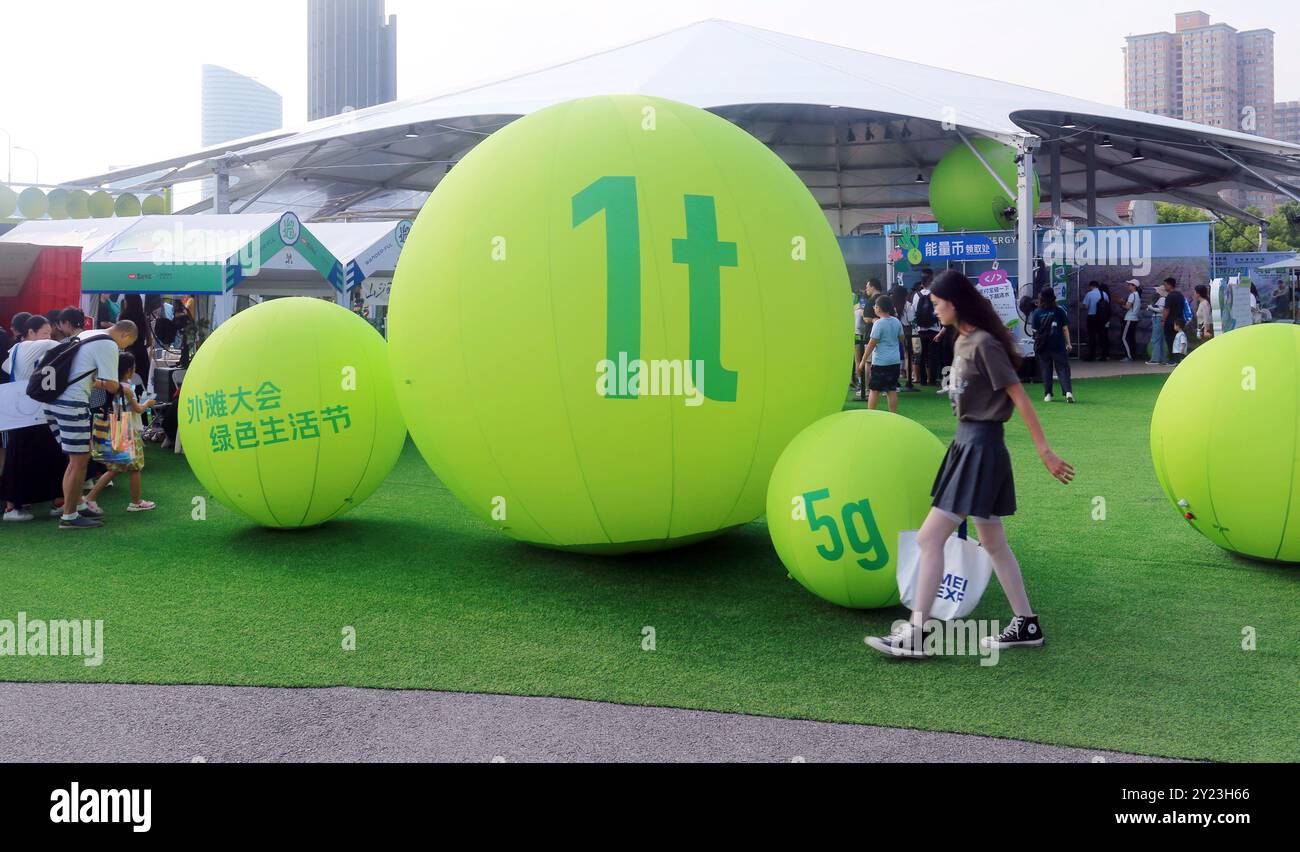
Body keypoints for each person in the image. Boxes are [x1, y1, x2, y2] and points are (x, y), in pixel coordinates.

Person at [866, 270, 1074, 659]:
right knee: (993, 541)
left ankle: (917, 634)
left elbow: (1017, 395)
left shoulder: (983, 344)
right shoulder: (962, 340)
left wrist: (1044, 449)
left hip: (980, 447)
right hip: (968, 446)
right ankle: (1026, 623)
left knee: (930, 539)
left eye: (938, 303)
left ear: (955, 303)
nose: (934, 308)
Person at [42, 320, 138, 530]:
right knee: (79, 460)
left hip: (54, 401)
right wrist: (123, 387)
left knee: (76, 458)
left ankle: (76, 505)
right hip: (72, 403)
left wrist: (95, 380)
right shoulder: (108, 344)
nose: (124, 349)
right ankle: (69, 516)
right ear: (124, 335)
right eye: (127, 343)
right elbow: (111, 385)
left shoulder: (89, 334)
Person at [1, 315, 65, 521]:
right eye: (45, 332)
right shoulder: (42, 345)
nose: (48, 337)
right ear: (31, 332)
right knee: (52, 455)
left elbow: (6, 369)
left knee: (19, 458)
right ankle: (57, 502)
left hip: (21, 413)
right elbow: (67, 346)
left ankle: (15, 506)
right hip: (38, 411)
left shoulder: (16, 349)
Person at [83, 352, 156, 514]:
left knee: (115, 468)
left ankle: (90, 498)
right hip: (127, 430)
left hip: (115, 428)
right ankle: (135, 502)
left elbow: (93, 383)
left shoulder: (109, 385)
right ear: (130, 370)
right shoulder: (127, 389)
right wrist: (148, 404)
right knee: (135, 467)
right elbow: (138, 409)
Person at [857, 295, 905, 413]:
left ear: (879, 308)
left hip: (880, 362)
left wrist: (862, 361)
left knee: (874, 390)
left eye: (875, 306)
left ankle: (871, 415)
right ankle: (893, 415)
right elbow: (901, 339)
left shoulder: (878, 324)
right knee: (891, 390)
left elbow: (871, 344)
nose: (874, 308)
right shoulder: (896, 321)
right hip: (894, 361)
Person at [1029, 288, 1074, 403]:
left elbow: (1034, 330)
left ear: (1041, 298)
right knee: (1063, 368)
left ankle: (1048, 394)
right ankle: (1068, 392)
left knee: (1046, 369)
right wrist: (1068, 343)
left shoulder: (1037, 312)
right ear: (1053, 297)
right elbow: (1065, 328)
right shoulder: (1059, 311)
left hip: (1043, 346)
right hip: (1058, 345)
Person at [910, 269, 941, 385]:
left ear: (922, 284)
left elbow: (913, 312)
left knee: (921, 355)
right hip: (934, 330)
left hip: (920, 330)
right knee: (933, 356)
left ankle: (922, 380)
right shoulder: (936, 294)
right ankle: (932, 379)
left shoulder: (916, 295)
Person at [119, 294, 155, 392]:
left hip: (128, 354)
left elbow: (120, 339)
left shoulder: (123, 317)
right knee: (143, 384)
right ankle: (143, 405)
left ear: (128, 301)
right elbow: (149, 341)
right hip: (142, 354)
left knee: (128, 384)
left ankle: (130, 404)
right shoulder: (142, 317)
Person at [888, 279, 917, 392]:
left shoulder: (890, 304)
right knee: (907, 356)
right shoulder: (908, 305)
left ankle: (894, 380)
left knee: (894, 357)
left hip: (892, 333)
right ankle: (909, 379)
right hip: (906, 332)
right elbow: (911, 320)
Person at [1082, 280, 1111, 361]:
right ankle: (1104, 355)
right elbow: (1107, 305)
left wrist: (1082, 305)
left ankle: (1091, 356)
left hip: (1092, 317)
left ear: (1091, 286)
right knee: (1102, 336)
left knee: (1092, 337)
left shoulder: (1089, 294)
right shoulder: (1104, 294)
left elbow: (1086, 307)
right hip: (1102, 318)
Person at [1160, 278, 1185, 366]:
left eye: (1165, 285)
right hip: (1180, 321)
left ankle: (1172, 359)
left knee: (1171, 341)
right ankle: (1178, 359)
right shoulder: (1180, 295)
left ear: (1170, 285)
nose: (1164, 286)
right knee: (1178, 340)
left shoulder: (1170, 296)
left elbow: (1167, 309)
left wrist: (1163, 320)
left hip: (1171, 322)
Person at [1120, 279, 1141, 362]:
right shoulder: (1137, 295)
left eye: (1130, 285)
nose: (1128, 286)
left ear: (1134, 286)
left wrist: (1121, 303)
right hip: (1134, 319)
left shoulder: (1132, 295)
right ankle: (1133, 355)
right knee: (1131, 338)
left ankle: (1129, 356)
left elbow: (1128, 307)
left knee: (1124, 338)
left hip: (1129, 319)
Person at [1146, 286, 1167, 365]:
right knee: (1160, 339)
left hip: (1158, 319)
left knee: (1156, 338)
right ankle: (1161, 358)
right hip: (1158, 318)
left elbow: (1161, 310)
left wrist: (1151, 308)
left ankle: (1155, 359)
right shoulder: (1163, 299)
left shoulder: (1162, 299)